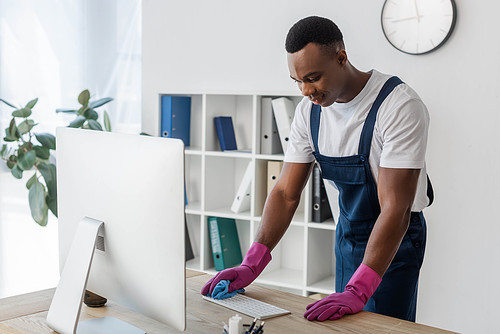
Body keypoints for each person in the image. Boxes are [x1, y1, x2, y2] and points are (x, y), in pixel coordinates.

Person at [201, 16, 432, 322]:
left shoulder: (398, 106)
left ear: (341, 57)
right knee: (344, 326)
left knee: (380, 328)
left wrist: (360, 289)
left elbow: (396, 209)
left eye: (313, 77)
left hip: (396, 240)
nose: (305, 91)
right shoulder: (309, 114)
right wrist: (252, 263)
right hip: (348, 234)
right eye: (297, 81)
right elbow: (285, 193)